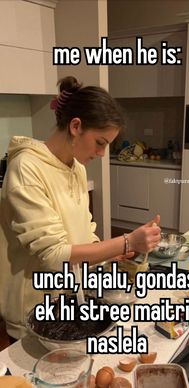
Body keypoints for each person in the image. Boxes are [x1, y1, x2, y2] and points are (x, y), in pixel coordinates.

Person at [0, 76, 161, 340]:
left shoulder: (76, 168)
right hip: (33, 312)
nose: (102, 154)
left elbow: (84, 233)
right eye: (100, 142)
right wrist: (126, 241)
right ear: (76, 126)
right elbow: (54, 255)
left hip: (70, 301)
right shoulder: (27, 168)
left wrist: (110, 253)